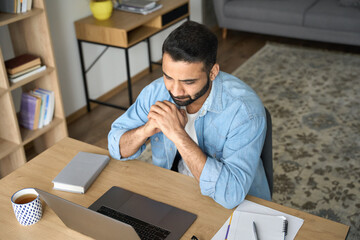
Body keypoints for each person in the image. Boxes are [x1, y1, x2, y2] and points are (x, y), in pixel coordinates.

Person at [108, 21, 271, 209]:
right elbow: (115, 147)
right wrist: (145, 131)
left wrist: (177, 134)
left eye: (188, 81)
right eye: (168, 77)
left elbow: (230, 194)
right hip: (174, 192)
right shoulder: (156, 92)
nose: (175, 91)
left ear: (213, 72)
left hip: (235, 206)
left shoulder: (244, 111)